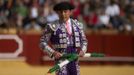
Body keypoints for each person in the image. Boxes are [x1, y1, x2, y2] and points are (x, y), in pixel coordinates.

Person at [39, 1, 88, 75]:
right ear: (57, 13)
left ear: (70, 12)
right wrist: (53, 52)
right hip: (61, 59)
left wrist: (83, 50)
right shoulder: (52, 26)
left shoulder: (77, 25)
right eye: (60, 12)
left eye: (65, 12)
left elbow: (84, 41)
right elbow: (42, 43)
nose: (63, 14)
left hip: (74, 59)